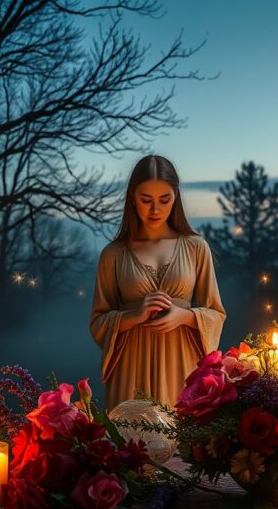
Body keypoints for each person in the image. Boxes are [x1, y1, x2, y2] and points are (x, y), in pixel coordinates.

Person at [89, 155, 226, 407]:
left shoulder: (196, 247)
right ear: (132, 197)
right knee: (131, 441)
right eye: (146, 200)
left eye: (164, 200)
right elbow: (98, 321)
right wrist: (133, 316)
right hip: (130, 369)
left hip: (182, 365)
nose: (155, 210)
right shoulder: (113, 254)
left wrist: (184, 316)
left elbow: (216, 313)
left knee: (181, 441)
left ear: (176, 197)